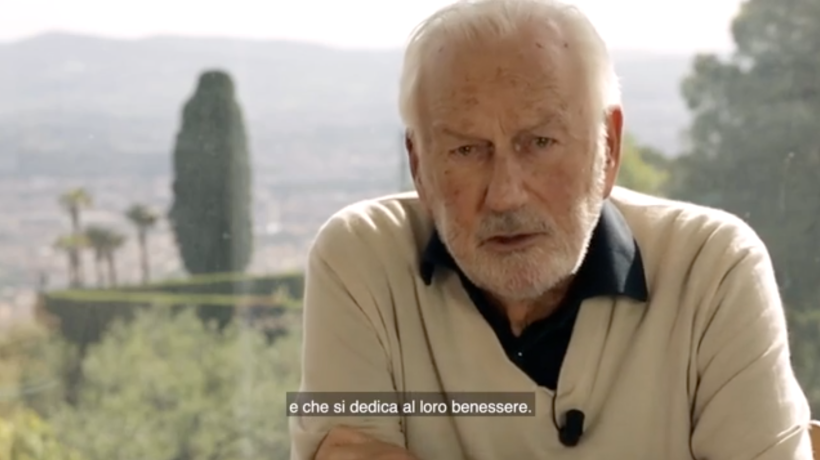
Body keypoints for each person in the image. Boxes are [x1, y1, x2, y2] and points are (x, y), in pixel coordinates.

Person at [289, 0, 813, 458]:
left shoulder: (714, 269)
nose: (506, 195)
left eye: (539, 142)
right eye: (466, 151)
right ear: (419, 165)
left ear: (608, 147)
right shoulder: (360, 260)